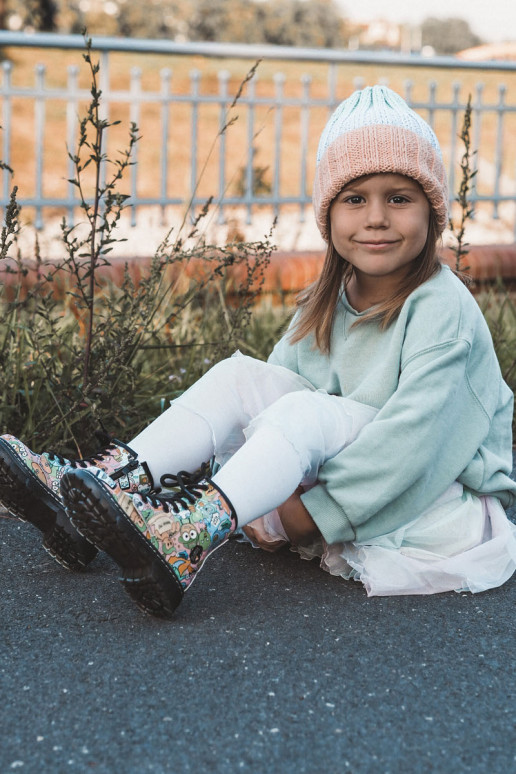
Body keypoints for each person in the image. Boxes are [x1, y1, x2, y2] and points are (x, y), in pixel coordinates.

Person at [1, 85, 515, 619]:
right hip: (351, 479)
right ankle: (101, 490)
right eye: (355, 199)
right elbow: (269, 403)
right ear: (329, 214)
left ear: (432, 211)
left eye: (400, 198)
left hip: (432, 499)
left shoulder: (443, 308)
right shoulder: (326, 301)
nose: (377, 217)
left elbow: (416, 441)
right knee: (240, 376)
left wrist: (311, 511)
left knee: (306, 411)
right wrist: (270, 490)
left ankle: (188, 534)